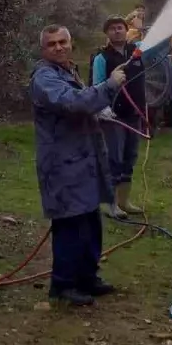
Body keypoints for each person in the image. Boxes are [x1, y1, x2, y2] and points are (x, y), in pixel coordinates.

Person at [29, 24, 128, 307]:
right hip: (62, 165)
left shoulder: (67, 71)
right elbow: (70, 103)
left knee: (89, 222)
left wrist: (100, 107)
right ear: (43, 49)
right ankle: (63, 285)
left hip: (81, 162)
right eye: (52, 44)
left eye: (63, 42)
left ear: (71, 43)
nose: (59, 47)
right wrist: (108, 86)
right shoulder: (44, 78)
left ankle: (87, 278)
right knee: (70, 225)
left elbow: (82, 106)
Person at [89, 16, 145, 218]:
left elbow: (160, 46)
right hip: (113, 117)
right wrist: (101, 108)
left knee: (130, 157)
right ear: (107, 34)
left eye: (120, 28)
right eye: (112, 29)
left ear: (126, 30)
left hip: (134, 113)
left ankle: (124, 201)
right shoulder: (101, 58)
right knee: (113, 158)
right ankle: (110, 204)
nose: (117, 31)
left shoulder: (137, 52)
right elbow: (96, 85)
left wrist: (143, 28)